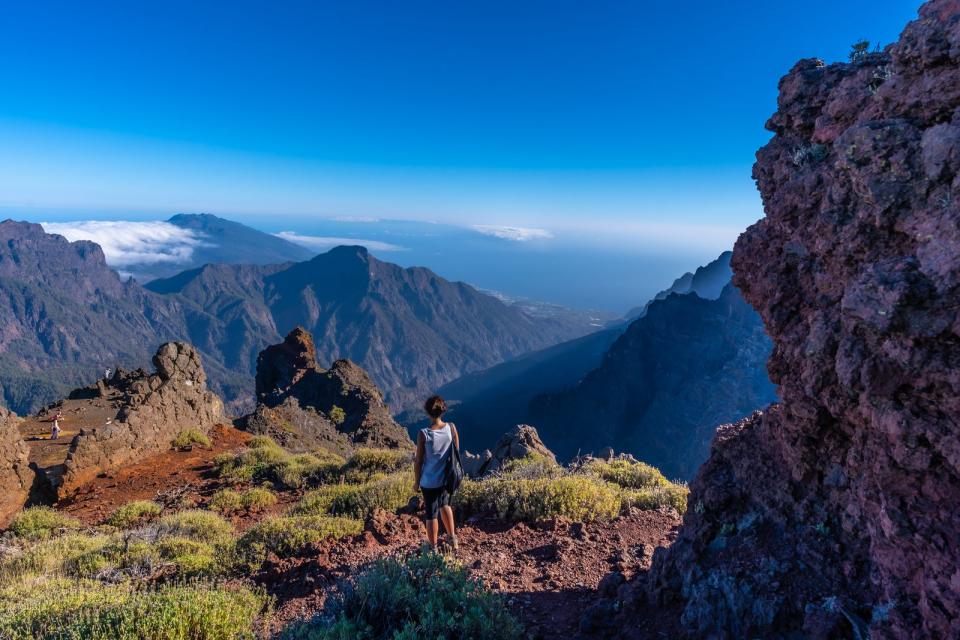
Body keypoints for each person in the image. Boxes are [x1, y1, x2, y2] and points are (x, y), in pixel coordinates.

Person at [413, 394, 459, 552]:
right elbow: (456, 452)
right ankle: (452, 538)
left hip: (429, 481)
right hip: (445, 479)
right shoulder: (451, 428)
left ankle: (433, 548)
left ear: (427, 412)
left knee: (431, 514)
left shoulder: (423, 434)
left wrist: (416, 482)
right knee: (445, 505)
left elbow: (418, 461)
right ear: (443, 410)